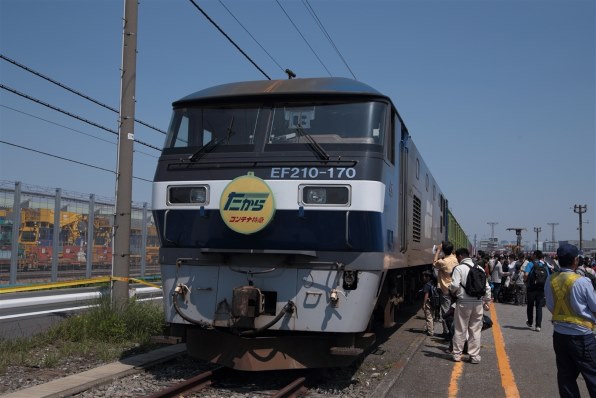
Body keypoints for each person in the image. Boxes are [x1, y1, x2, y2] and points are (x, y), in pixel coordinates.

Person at [545, 243, 596, 397]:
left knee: (566, 378)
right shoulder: (582, 281)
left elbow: (550, 305)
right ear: (575, 260)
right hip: (582, 336)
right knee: (592, 376)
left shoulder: (551, 279)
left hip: (559, 334)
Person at [449, 247, 491, 364]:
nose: (457, 259)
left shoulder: (459, 268)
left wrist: (453, 292)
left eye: (457, 257)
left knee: (460, 329)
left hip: (463, 303)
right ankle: (474, 356)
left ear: (461, 256)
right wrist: (486, 301)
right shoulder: (479, 268)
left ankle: (457, 354)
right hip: (478, 303)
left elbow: (454, 285)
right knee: (475, 330)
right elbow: (487, 287)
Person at [432, 241, 458, 337]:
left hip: (445, 289)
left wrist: (438, 250)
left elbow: (434, 263)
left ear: (443, 250)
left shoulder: (443, 262)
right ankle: (450, 331)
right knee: (453, 311)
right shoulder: (455, 259)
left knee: (446, 312)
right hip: (455, 289)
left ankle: (447, 333)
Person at [524, 250, 551, 331]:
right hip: (541, 288)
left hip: (531, 288)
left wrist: (525, 281)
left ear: (535, 255)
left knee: (530, 305)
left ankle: (530, 322)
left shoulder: (530, 263)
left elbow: (526, 274)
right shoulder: (544, 264)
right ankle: (538, 326)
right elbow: (548, 277)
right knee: (539, 307)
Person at [420, 270, 437, 336]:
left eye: (424, 276)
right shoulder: (432, 283)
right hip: (433, 302)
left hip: (428, 302)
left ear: (428, 277)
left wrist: (424, 304)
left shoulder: (427, 285)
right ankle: (430, 329)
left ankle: (430, 332)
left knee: (429, 317)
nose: (423, 278)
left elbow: (426, 294)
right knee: (431, 316)